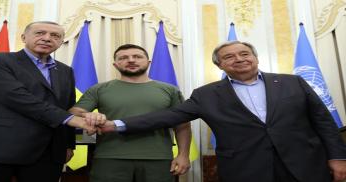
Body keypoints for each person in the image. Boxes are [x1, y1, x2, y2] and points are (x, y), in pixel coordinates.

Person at [93, 41, 346, 182]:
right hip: (246, 170)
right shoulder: (207, 94)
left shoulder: (293, 82)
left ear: (255, 58)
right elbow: (168, 116)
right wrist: (117, 124)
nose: (239, 59)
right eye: (229, 57)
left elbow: (324, 122)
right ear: (220, 65)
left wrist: (338, 158)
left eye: (245, 53)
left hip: (305, 166)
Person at [0, 21, 91, 182]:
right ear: (24, 37)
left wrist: (68, 145)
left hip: (46, 153)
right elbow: (18, 97)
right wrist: (71, 119)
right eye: (40, 33)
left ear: (61, 42)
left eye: (55, 36)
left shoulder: (65, 71)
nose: (47, 38)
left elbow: (67, 107)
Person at [69, 44, 191, 182]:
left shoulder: (170, 90)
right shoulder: (99, 89)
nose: (131, 60)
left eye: (137, 57)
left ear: (148, 62)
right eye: (124, 58)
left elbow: (182, 124)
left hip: (158, 158)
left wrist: (183, 155)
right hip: (109, 157)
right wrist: (88, 115)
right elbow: (74, 112)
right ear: (115, 64)